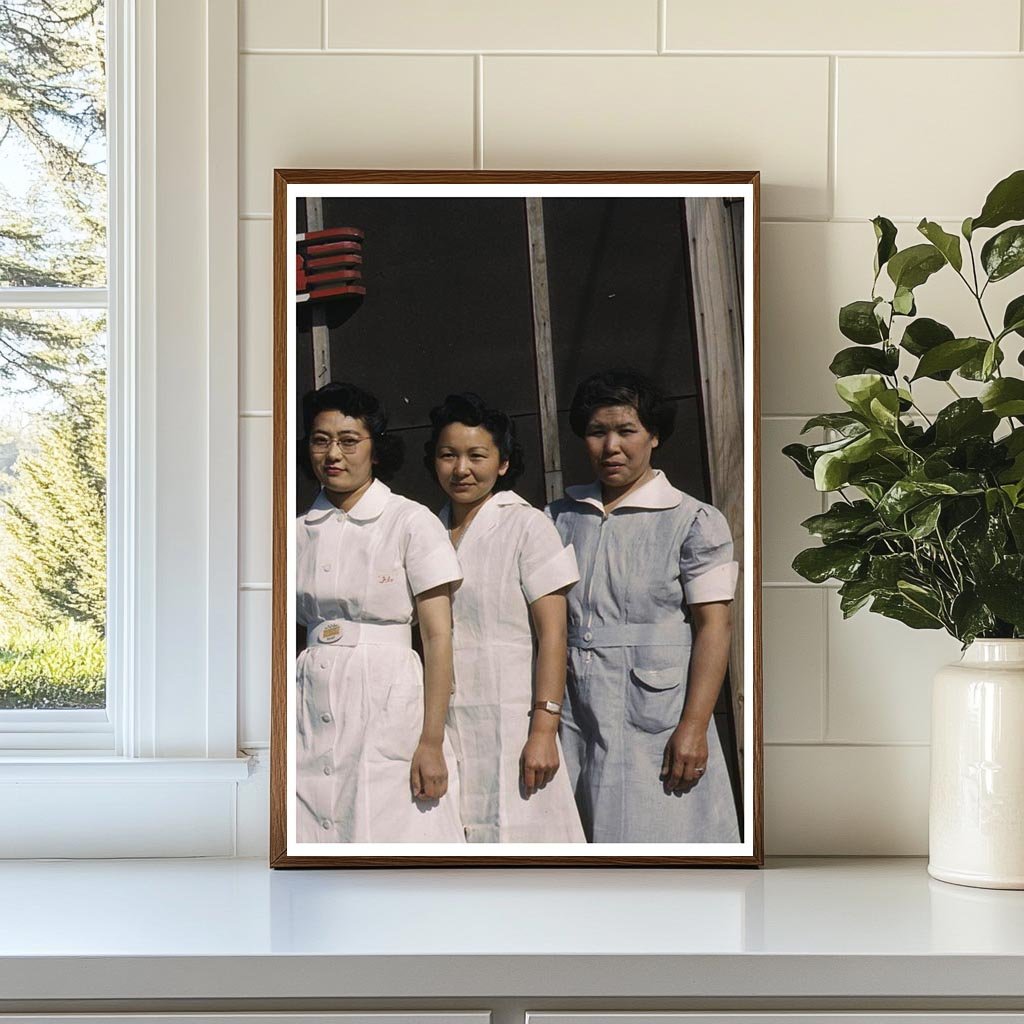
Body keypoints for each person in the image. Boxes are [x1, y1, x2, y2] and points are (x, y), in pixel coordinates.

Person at [546, 369, 741, 844]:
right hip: (573, 709)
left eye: (627, 430)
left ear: (654, 436)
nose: (611, 446)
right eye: (597, 432)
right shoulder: (559, 518)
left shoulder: (693, 519)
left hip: (656, 711)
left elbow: (715, 627)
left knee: (656, 841)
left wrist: (694, 727)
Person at [295, 382, 465, 843]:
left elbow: (437, 637)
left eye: (349, 441)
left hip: (389, 695)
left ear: (375, 449)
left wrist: (430, 740)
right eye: (320, 440)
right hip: (310, 696)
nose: (333, 454)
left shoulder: (410, 521)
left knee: (389, 829)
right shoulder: (294, 532)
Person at [425, 393, 585, 843]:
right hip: (443, 719)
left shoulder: (527, 525)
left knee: (522, 840)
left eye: (477, 455)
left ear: (503, 464)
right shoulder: (425, 529)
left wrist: (544, 728)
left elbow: (554, 634)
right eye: (448, 455)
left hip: (512, 717)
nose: (461, 469)